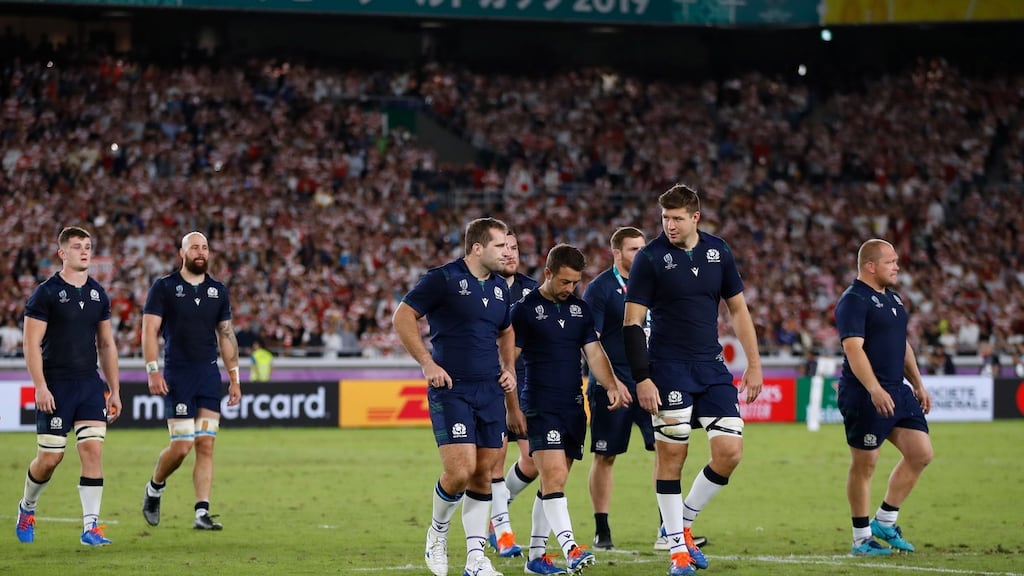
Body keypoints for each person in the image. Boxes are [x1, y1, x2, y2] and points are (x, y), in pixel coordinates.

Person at [623, 184, 763, 576]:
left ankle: (680, 526)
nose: (669, 224)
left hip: (711, 368)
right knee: (673, 457)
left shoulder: (719, 251)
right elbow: (631, 323)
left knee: (729, 453)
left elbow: (738, 310)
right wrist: (642, 378)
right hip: (667, 369)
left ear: (695, 217)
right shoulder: (649, 258)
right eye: (665, 218)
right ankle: (677, 553)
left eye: (677, 218)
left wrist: (754, 364)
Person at [393, 217, 522, 576]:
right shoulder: (443, 279)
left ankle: (476, 559)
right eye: (500, 246)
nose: (507, 252)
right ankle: (437, 532)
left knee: (484, 474)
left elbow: (507, 330)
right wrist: (426, 363)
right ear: (477, 248)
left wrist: (508, 367)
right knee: (460, 470)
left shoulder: (500, 288)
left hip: (490, 389)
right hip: (451, 388)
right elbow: (402, 317)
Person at [510, 243, 628, 575]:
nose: (570, 289)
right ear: (547, 273)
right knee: (555, 477)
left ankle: (536, 557)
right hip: (540, 405)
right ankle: (570, 547)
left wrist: (611, 384)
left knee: (552, 486)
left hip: (574, 408)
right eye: (564, 281)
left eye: (575, 282)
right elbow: (508, 360)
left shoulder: (580, 310)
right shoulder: (524, 310)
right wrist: (508, 403)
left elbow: (593, 353)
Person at [16, 226, 121, 546]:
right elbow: (31, 344)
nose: (84, 251)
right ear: (62, 253)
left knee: (92, 450)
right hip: (57, 385)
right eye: (77, 246)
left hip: (90, 383)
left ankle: (91, 527)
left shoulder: (97, 293)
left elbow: (106, 344)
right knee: (50, 458)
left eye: (87, 246)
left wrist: (114, 389)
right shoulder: (46, 293)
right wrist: (40, 386)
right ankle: (27, 506)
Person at [834, 238, 933, 556]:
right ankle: (861, 539)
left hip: (898, 391)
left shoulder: (894, 299)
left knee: (920, 453)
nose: (897, 266)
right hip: (864, 394)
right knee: (865, 465)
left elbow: (901, 344)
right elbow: (853, 349)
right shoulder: (853, 300)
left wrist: (917, 382)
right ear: (871, 266)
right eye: (891, 261)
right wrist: (874, 389)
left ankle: (885, 522)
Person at [140, 231, 242, 531]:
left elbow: (226, 335)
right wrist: (152, 369)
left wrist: (234, 378)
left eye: (205, 248)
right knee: (182, 446)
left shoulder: (217, 291)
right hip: (178, 375)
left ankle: (201, 512)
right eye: (194, 247)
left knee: (206, 445)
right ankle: (154, 488)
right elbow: (149, 331)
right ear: (182, 253)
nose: (200, 252)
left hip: (208, 377)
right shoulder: (164, 287)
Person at [582, 226, 657, 550]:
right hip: (614, 388)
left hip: (653, 384)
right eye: (632, 249)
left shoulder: (655, 282)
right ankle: (602, 530)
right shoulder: (600, 289)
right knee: (606, 456)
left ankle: (669, 530)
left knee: (669, 452)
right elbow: (591, 342)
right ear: (616, 253)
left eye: (643, 248)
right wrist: (613, 383)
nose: (640, 254)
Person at [487, 230, 539, 558]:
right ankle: (503, 530)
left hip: (526, 383)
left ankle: (496, 510)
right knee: (495, 456)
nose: (509, 253)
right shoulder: (478, 288)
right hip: (488, 383)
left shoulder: (533, 291)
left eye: (515, 247)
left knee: (534, 460)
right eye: (503, 247)